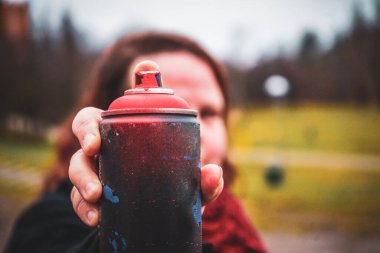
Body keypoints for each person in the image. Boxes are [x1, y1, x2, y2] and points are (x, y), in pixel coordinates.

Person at [5, 32, 268, 253]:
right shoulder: (51, 220)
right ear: (107, 125)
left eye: (209, 113)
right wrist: (125, 228)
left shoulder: (236, 227)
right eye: (159, 115)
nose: (193, 135)